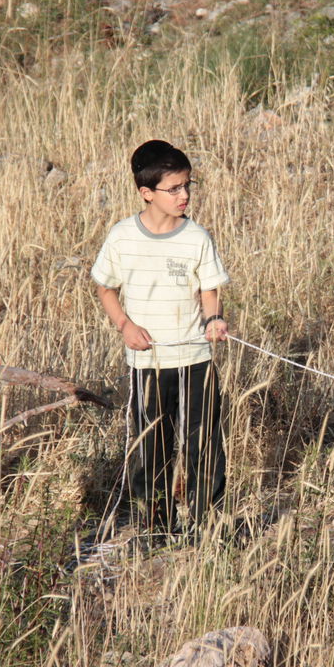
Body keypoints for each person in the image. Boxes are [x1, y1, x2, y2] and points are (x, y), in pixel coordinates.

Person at [91, 140, 230, 534]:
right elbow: (105, 287)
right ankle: (155, 527)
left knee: (203, 444)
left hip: (195, 360)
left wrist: (214, 319)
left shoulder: (197, 238)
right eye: (174, 189)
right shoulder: (121, 237)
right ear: (146, 193)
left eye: (188, 185)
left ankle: (207, 525)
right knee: (151, 446)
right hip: (147, 364)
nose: (184, 195)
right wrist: (125, 326)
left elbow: (208, 288)